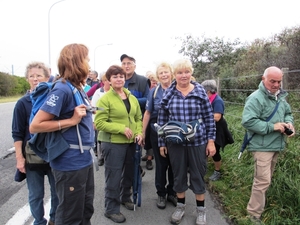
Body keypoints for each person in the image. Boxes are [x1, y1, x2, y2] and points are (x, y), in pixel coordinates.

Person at [29, 43, 95, 225]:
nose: (89, 64)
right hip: (70, 164)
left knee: (85, 210)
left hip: (84, 160)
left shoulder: (78, 88)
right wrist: (71, 121)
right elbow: (35, 126)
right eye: (87, 60)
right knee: (69, 217)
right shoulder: (62, 89)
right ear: (77, 62)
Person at [157, 58, 216, 225]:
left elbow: (209, 118)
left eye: (187, 72)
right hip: (176, 143)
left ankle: (201, 211)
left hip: (197, 142)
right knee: (179, 175)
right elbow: (162, 119)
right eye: (180, 72)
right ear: (175, 74)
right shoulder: (169, 93)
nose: (184, 75)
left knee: (198, 175)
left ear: (192, 73)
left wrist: (210, 141)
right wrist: (162, 143)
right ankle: (180, 207)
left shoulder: (200, 92)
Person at [241, 66, 295, 224]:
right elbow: (248, 121)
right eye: (273, 81)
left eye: (279, 81)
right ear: (263, 79)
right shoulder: (256, 98)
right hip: (261, 146)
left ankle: (257, 208)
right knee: (262, 180)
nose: (276, 85)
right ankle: (253, 214)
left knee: (266, 179)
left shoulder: (280, 97)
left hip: (276, 144)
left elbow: (288, 113)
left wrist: (289, 124)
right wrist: (273, 127)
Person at [94, 65, 143, 223]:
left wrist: (138, 133)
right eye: (114, 76)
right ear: (109, 80)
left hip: (131, 143)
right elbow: (99, 123)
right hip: (113, 143)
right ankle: (111, 209)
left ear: (125, 78)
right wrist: (121, 128)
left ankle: (125, 197)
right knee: (113, 177)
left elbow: (138, 118)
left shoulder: (131, 97)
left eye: (121, 76)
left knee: (129, 173)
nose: (119, 79)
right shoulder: (105, 99)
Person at [12, 61, 59, 225]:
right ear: (27, 79)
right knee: (35, 194)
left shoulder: (54, 99)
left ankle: (54, 219)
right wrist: (19, 158)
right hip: (32, 157)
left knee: (57, 192)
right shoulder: (22, 103)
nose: (35, 79)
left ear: (47, 77)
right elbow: (17, 133)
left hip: (53, 154)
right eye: (31, 76)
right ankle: (39, 221)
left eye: (39, 75)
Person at [142, 62, 177, 209]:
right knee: (161, 164)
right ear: (158, 76)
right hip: (157, 131)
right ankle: (161, 194)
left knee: (175, 164)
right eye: (161, 73)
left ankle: (172, 192)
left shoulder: (178, 90)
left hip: (176, 131)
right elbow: (148, 112)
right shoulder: (154, 92)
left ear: (171, 73)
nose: (164, 75)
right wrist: (143, 133)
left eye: (166, 72)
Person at [120, 54, 151, 171]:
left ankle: (135, 176)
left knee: (135, 151)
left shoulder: (143, 81)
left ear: (134, 66)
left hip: (136, 121)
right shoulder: (118, 79)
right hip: (120, 122)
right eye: (124, 63)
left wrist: (130, 101)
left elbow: (148, 100)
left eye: (129, 63)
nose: (126, 66)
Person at [201, 80, 234, 181]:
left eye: (204, 90)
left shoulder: (217, 101)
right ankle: (203, 169)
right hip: (209, 128)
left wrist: (202, 116)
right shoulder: (208, 99)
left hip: (218, 129)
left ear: (209, 91)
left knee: (215, 151)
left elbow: (217, 117)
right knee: (205, 149)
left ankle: (217, 171)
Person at [91, 73, 110, 166]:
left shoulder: (115, 92)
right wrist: (94, 121)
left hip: (111, 120)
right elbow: (93, 107)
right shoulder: (98, 92)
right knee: (99, 139)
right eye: (106, 80)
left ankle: (108, 156)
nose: (108, 82)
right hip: (100, 118)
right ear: (103, 82)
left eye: (109, 80)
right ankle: (100, 157)